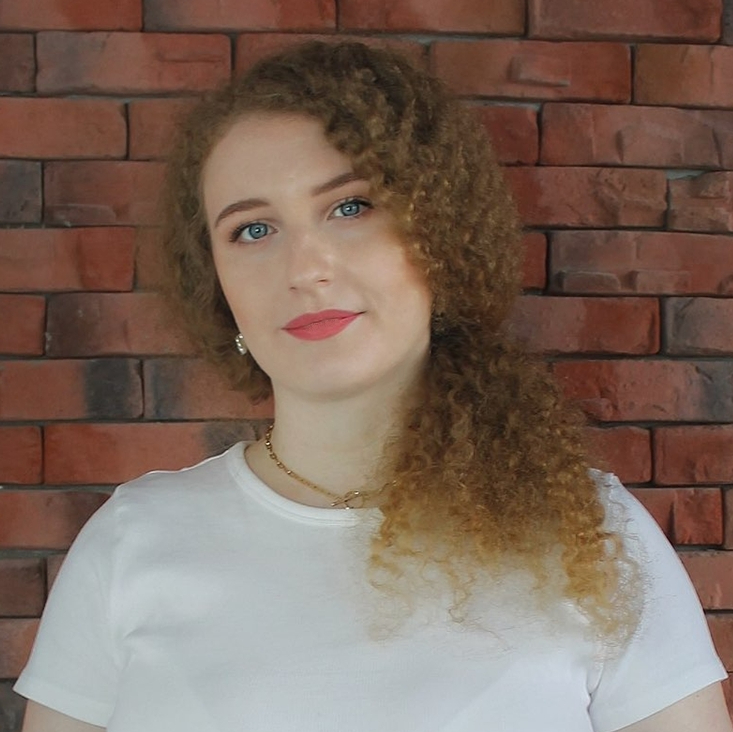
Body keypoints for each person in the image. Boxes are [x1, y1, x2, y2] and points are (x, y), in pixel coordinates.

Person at [15, 41, 732, 732]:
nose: (306, 267)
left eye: (351, 207)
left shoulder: (592, 536)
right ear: (216, 287)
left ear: (440, 235)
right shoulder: (131, 543)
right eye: (253, 230)